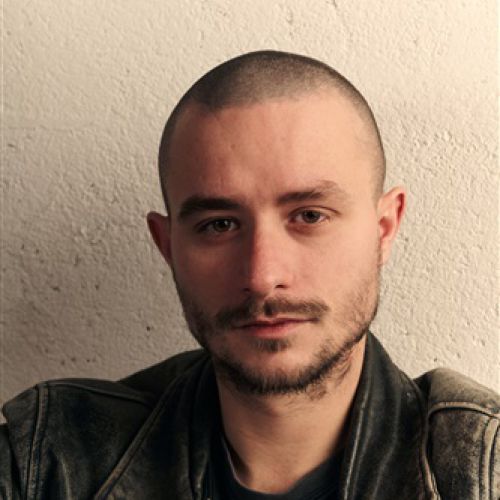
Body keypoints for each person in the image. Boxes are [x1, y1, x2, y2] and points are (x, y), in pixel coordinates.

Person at [1, 50, 498, 500]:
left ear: (384, 228)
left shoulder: (480, 468)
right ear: (168, 246)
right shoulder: (47, 463)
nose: (262, 276)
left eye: (309, 216)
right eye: (219, 225)